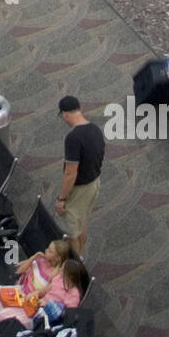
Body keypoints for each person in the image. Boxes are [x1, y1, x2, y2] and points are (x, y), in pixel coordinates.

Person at [56, 95, 103, 255]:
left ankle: (75, 267)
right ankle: (81, 255)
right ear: (80, 108)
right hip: (94, 183)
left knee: (71, 233)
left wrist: (62, 199)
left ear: (65, 114)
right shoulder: (95, 129)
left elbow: (70, 173)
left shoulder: (73, 138)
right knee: (82, 222)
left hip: (80, 189)